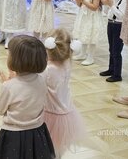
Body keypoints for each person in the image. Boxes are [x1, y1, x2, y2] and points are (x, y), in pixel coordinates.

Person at [0, 35, 55, 159]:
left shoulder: (9, 87)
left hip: (12, 135)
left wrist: (7, 83)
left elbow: (0, 110)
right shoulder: (42, 80)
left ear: (15, 60)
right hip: (38, 132)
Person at [42, 28, 86, 158]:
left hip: (50, 113)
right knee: (59, 146)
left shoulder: (48, 70)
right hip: (66, 112)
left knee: (48, 145)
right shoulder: (67, 63)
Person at [100, 0, 128, 82]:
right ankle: (111, 69)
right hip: (111, 24)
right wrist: (107, 4)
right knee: (111, 49)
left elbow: (121, 15)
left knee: (116, 51)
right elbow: (108, 13)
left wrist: (111, 5)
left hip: (118, 26)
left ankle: (117, 75)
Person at [72, 0, 104, 66]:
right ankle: (82, 53)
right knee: (84, 34)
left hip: (92, 18)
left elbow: (94, 7)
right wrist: (78, 0)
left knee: (91, 37)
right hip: (84, 17)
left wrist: (83, 1)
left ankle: (90, 57)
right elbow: (80, 5)